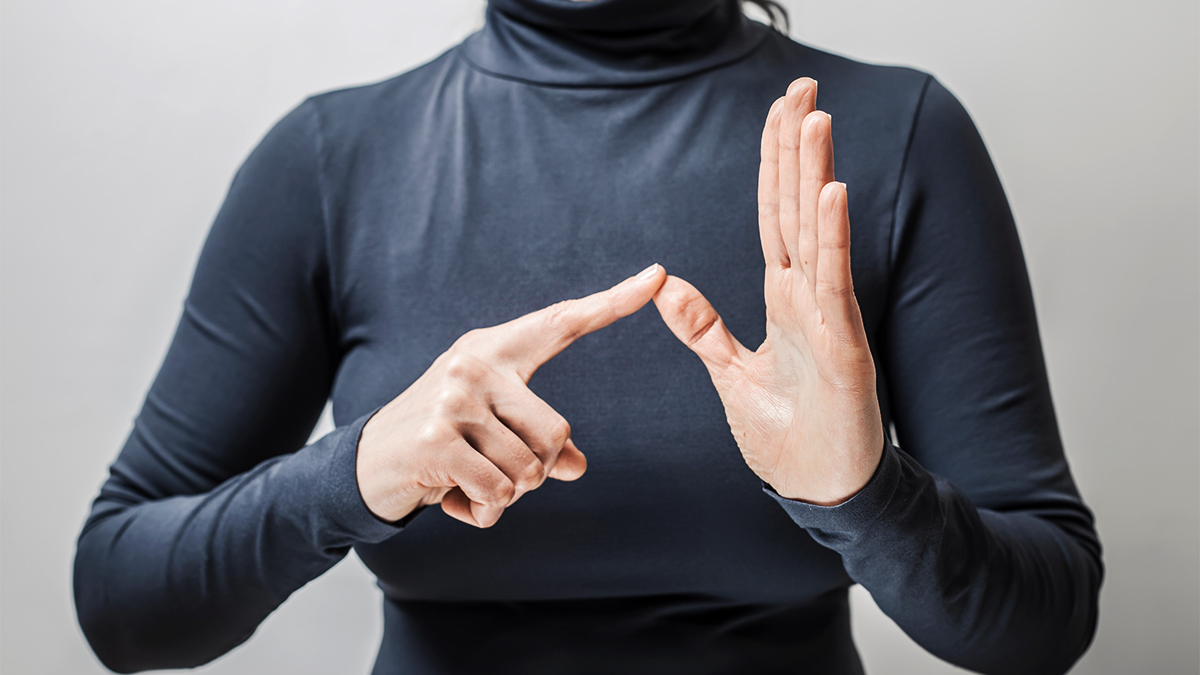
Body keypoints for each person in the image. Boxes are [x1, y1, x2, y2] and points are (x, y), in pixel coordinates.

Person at [72, 0, 1103, 673]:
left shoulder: (891, 133)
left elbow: (1042, 626)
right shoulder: (333, 161)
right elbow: (124, 602)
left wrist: (864, 494)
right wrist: (352, 473)